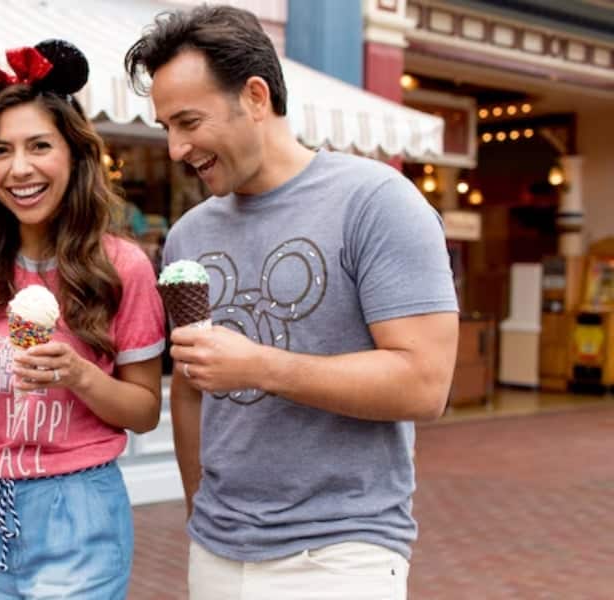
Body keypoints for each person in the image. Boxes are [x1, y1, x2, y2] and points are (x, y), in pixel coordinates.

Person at [124, 5, 459, 599]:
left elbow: (424, 383)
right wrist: (199, 511)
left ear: (255, 96)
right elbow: (192, 390)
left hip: (341, 553)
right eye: (166, 128)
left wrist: (261, 366)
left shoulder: (378, 202)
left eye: (189, 121)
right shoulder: (188, 235)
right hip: (217, 550)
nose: (176, 148)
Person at [0, 40, 165, 599]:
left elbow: (143, 412)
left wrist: (79, 375)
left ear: (73, 153)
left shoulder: (121, 266)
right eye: (0, 151)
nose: (19, 169)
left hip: (81, 506)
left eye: (39, 146)